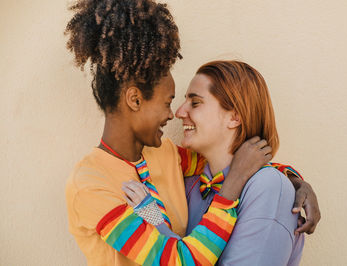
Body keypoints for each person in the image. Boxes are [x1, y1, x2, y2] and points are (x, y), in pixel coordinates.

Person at [64, 0, 320, 265]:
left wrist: (294, 182)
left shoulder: (167, 155)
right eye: (167, 102)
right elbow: (180, 260)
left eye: (193, 102)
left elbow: (237, 163)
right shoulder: (91, 184)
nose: (174, 113)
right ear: (135, 100)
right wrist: (230, 190)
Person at [123, 60, 307, 265]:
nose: (179, 112)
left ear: (235, 117)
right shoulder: (192, 184)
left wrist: (154, 221)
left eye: (195, 103)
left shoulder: (269, 187)